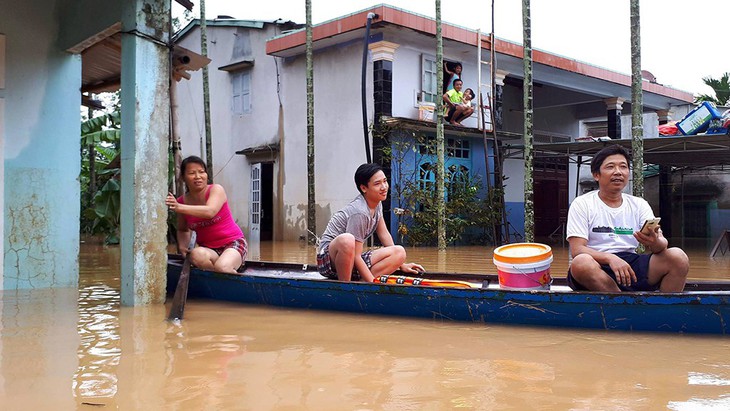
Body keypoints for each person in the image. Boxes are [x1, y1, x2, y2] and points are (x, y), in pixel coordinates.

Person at [565, 145, 689, 292]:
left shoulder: (639, 204)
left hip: (631, 265)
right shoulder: (583, 203)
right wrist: (610, 258)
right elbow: (577, 250)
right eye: (610, 167)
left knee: (677, 257)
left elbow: (661, 245)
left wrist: (655, 242)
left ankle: (665, 311)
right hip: (597, 265)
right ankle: (622, 304)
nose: (618, 172)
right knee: (581, 262)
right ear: (596, 174)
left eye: (623, 167)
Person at [317, 163, 424, 282]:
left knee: (399, 252)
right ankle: (346, 287)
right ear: (364, 188)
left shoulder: (377, 203)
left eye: (385, 181)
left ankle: (361, 282)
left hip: (351, 259)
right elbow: (356, 255)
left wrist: (402, 265)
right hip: (328, 261)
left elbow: (384, 234)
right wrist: (373, 284)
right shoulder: (359, 211)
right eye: (377, 184)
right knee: (347, 240)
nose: (384, 187)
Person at [166, 155, 247, 274]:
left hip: (233, 243)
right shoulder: (182, 202)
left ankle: (227, 270)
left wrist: (179, 207)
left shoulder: (216, 190)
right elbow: (183, 229)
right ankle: (217, 277)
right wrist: (183, 248)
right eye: (192, 173)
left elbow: (210, 211)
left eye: (201, 172)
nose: (198, 177)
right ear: (183, 177)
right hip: (209, 250)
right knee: (195, 254)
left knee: (223, 267)